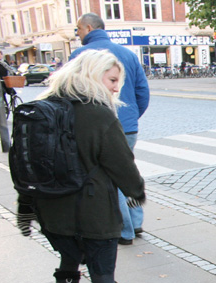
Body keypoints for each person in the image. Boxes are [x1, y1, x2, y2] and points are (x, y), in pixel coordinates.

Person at [17, 50, 145, 283]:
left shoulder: (47, 105)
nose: (116, 88)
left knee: (68, 263)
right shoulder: (99, 114)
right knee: (103, 280)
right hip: (94, 214)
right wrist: (136, 193)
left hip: (53, 212)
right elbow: (122, 165)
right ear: (94, 74)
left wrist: (26, 208)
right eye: (113, 80)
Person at [72, 13, 149, 246]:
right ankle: (135, 222)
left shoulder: (80, 56)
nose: (78, 34)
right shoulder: (127, 54)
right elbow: (142, 93)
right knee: (127, 169)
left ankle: (124, 231)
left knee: (108, 177)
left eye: (78, 30)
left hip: (97, 128)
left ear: (88, 27)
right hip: (127, 127)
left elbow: (72, 95)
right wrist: (131, 117)